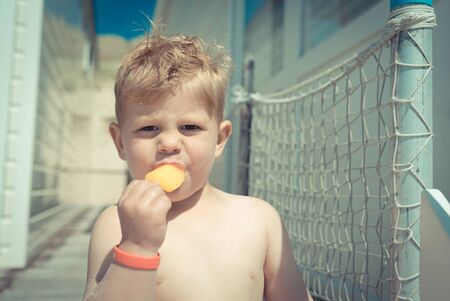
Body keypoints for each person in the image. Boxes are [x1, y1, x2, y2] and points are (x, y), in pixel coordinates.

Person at [82, 26, 313, 301]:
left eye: (189, 127)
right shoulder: (117, 224)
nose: (169, 143)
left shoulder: (260, 219)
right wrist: (136, 246)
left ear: (220, 139)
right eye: (149, 128)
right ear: (120, 143)